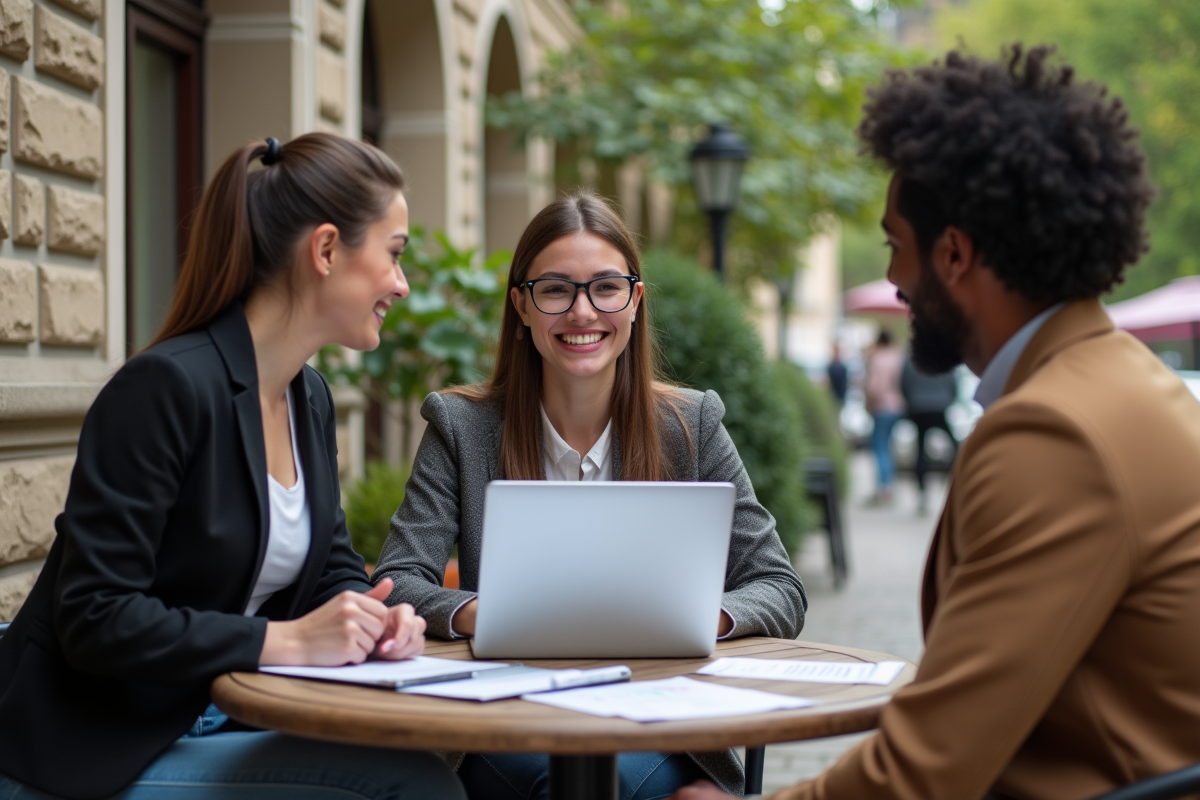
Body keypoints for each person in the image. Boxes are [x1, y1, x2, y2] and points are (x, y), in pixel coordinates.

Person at [673, 45, 1200, 800]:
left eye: (895, 245)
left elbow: (928, 770)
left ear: (953, 253)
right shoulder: (1123, 381)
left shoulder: (1056, 434)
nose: (891, 277)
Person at [0, 134, 465, 800]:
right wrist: (286, 642)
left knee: (435, 755)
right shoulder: (164, 389)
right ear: (327, 250)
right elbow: (95, 616)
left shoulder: (309, 397)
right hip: (91, 751)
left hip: (211, 716)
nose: (402, 283)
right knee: (411, 787)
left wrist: (367, 612)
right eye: (393, 255)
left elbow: (328, 563)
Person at [372, 191, 806, 800]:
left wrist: (699, 617)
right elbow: (398, 581)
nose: (582, 312)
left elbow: (779, 587)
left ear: (635, 302)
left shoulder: (692, 423)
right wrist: (488, 614)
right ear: (521, 306)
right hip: (511, 720)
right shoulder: (460, 426)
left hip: (660, 721)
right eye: (555, 289)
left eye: (606, 287)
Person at [898, 353, 958, 514]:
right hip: (940, 405)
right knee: (955, 448)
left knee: (920, 453)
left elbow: (903, 384)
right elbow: (953, 383)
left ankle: (922, 494)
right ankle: (956, 484)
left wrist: (911, 402)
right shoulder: (944, 357)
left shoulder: (910, 359)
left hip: (918, 407)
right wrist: (948, 400)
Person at [862, 329, 904, 504]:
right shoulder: (898, 356)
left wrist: (868, 399)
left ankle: (884, 487)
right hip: (897, 406)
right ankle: (889, 486)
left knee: (879, 448)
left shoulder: (876, 357)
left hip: (881, 407)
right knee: (889, 446)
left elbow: (875, 386)